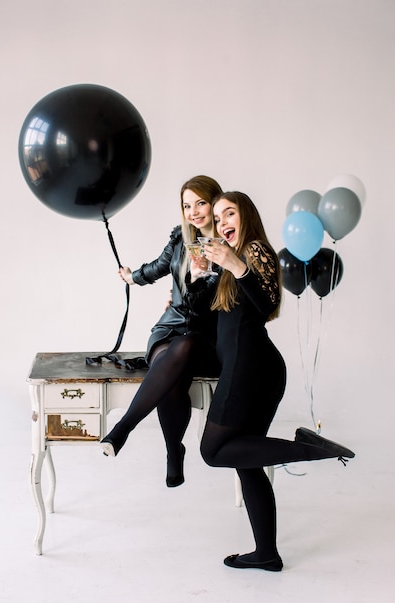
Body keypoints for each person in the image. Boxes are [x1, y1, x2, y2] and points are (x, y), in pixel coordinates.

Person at [199, 191, 355, 572]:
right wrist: (200, 273)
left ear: (246, 215)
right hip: (251, 370)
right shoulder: (230, 263)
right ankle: (266, 553)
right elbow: (214, 320)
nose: (221, 224)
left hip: (250, 372)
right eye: (217, 219)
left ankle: (309, 448)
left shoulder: (255, 251)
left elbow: (268, 303)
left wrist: (236, 266)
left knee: (213, 451)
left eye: (229, 213)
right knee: (246, 463)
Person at [100, 175, 222, 487]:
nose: (193, 211)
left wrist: (200, 279)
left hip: (206, 338)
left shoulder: (227, 247)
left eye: (200, 203)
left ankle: (124, 427)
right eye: (186, 205)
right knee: (171, 365)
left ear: (215, 203)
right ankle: (173, 450)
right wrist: (132, 277)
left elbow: (220, 297)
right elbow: (157, 267)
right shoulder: (181, 240)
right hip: (169, 327)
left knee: (184, 348)